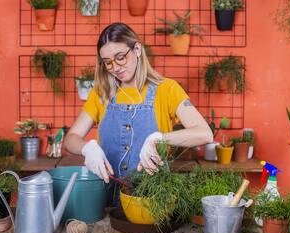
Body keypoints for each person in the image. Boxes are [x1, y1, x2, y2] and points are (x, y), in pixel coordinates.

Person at [64, 23, 213, 206]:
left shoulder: (167, 90)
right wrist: (87, 148)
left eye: (120, 58)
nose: (115, 67)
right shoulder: (101, 94)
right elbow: (70, 139)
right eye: (108, 63)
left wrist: (160, 138)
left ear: (137, 49)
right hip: (106, 200)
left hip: (152, 199)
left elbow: (204, 133)